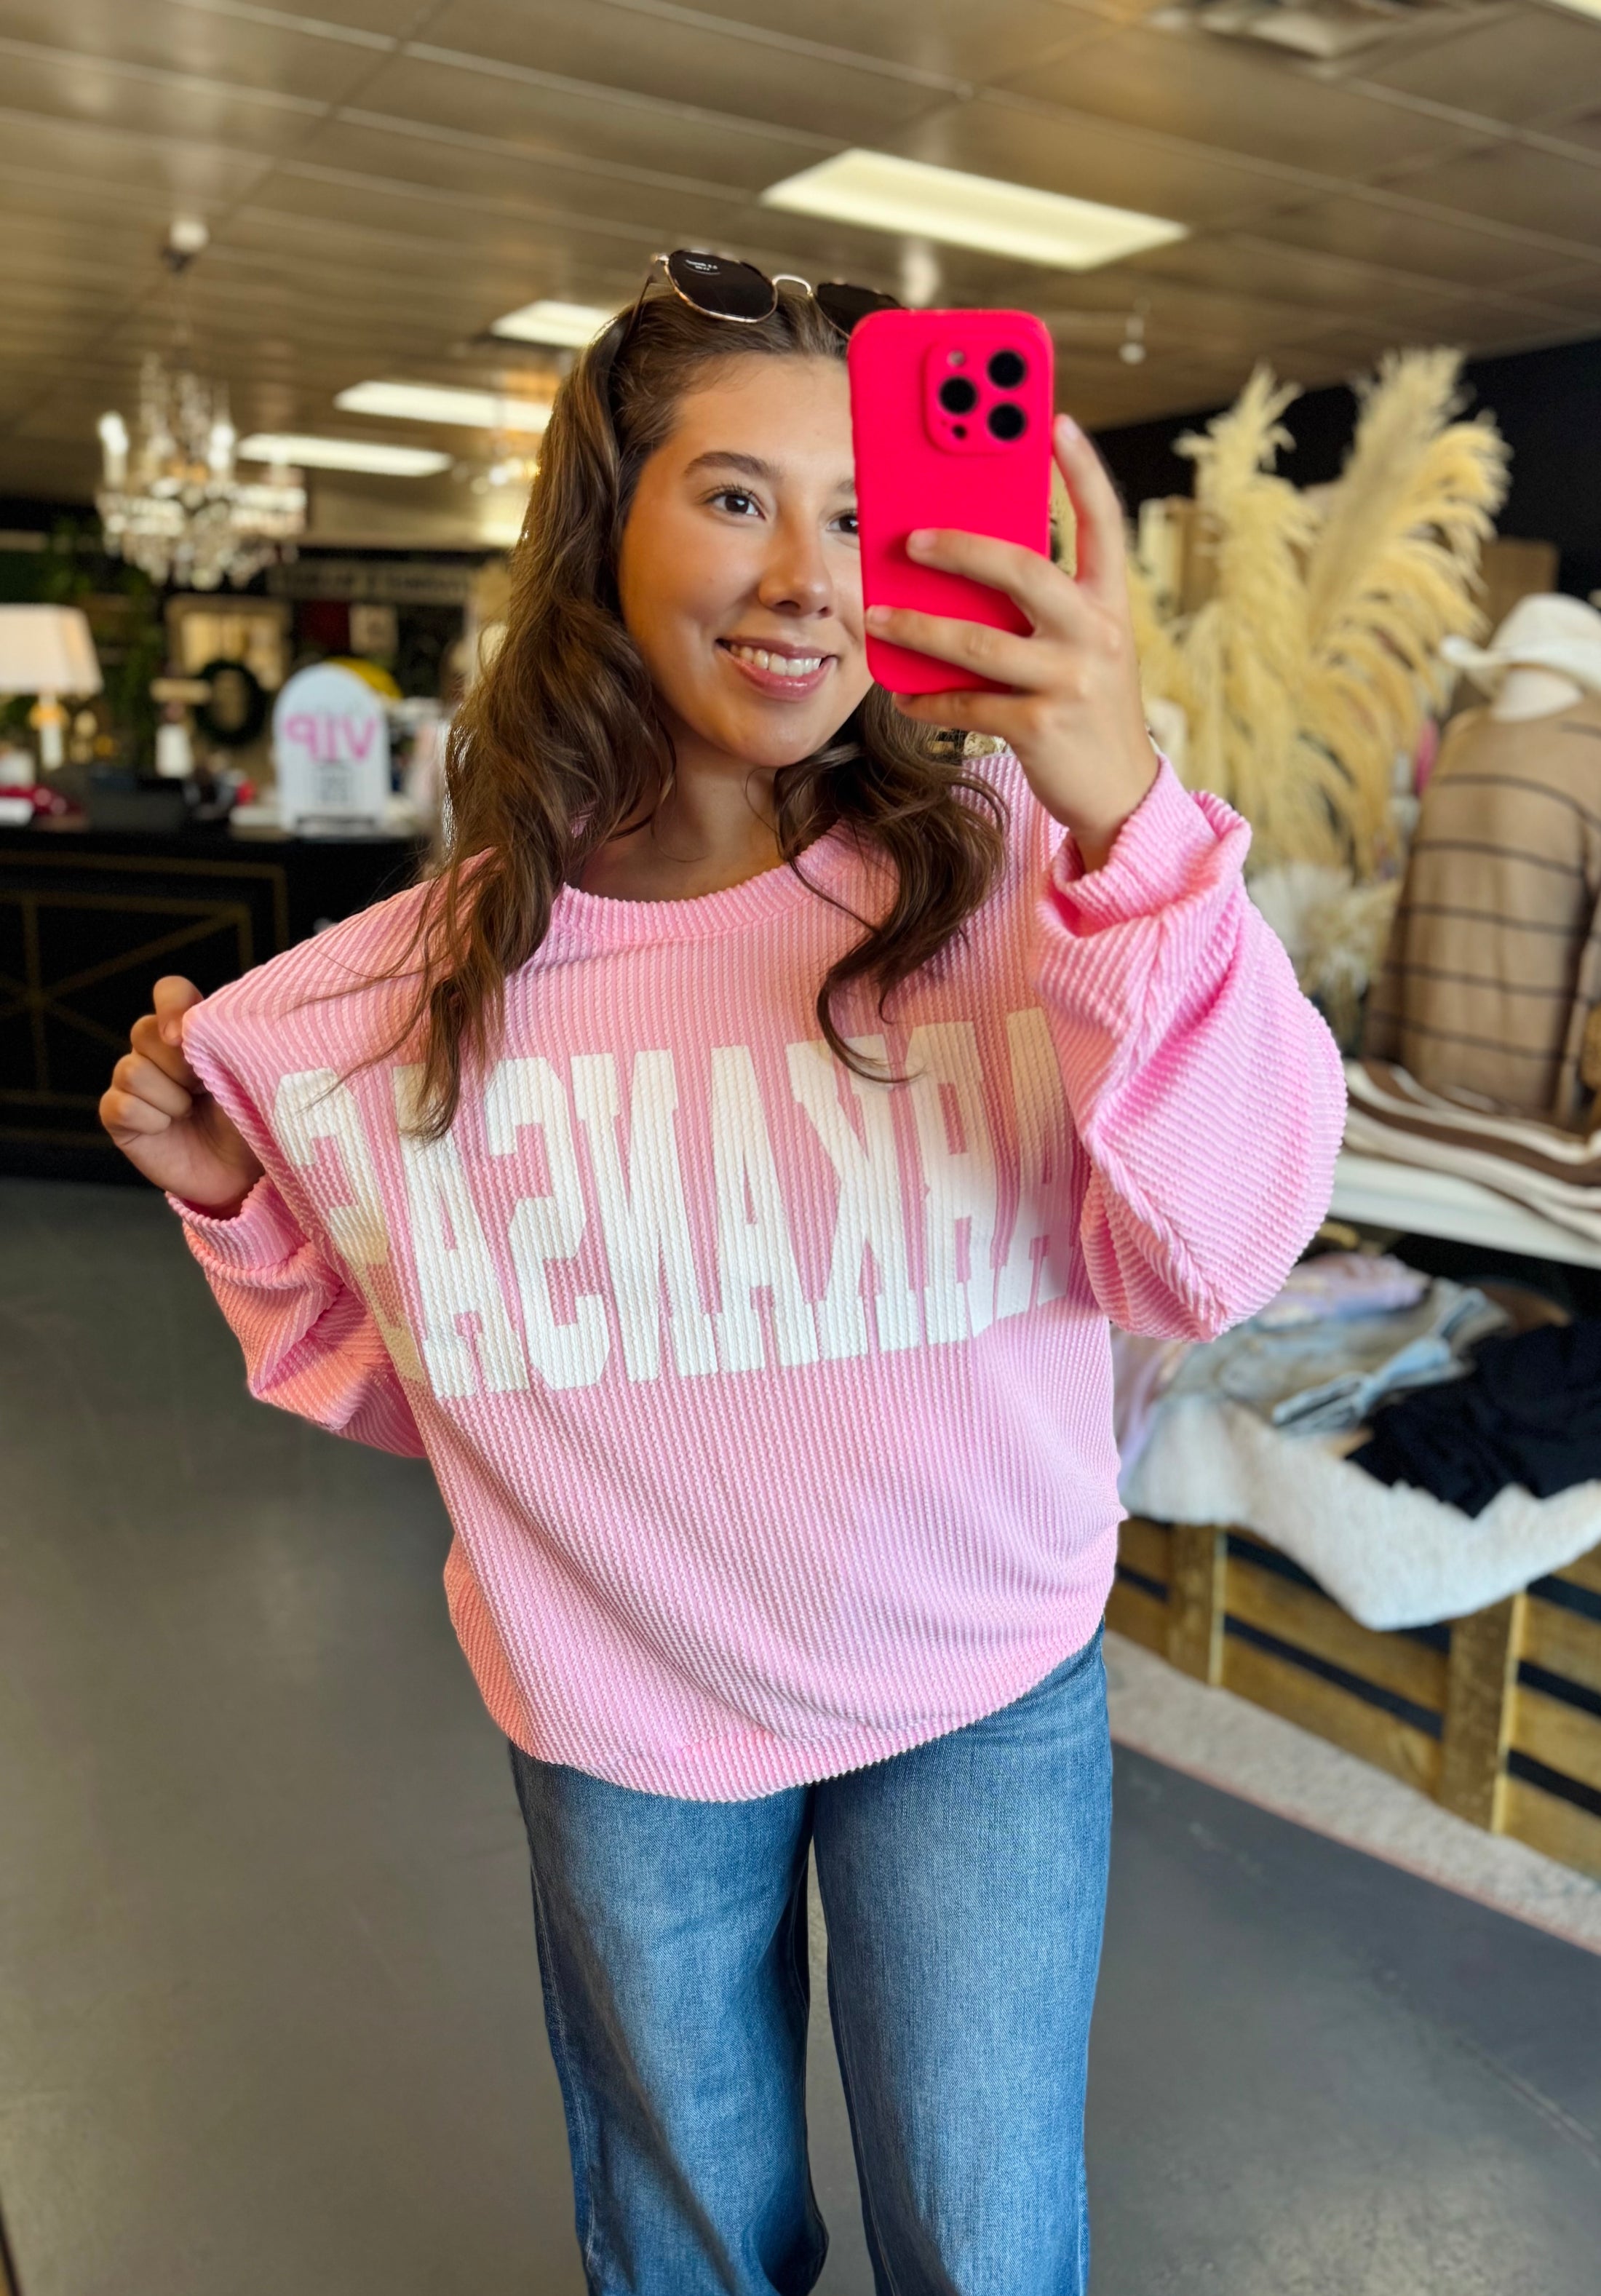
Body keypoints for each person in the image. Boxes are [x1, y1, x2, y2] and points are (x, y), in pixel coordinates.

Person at [100, 261, 1344, 2296]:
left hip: (983, 1682)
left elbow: (1225, 1236)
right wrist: (240, 1192)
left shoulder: (1041, 880)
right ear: (607, 529)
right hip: (625, 1701)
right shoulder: (429, 988)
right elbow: (451, 1381)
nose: (807, 578)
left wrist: (1134, 808)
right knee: (687, 2231)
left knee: (986, 2233)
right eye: (738, 495)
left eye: (863, 510)